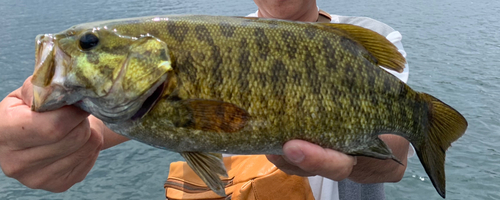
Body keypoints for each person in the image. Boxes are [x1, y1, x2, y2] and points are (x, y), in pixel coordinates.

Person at [0, 0, 410, 199]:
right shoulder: (214, 37)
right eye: (90, 44)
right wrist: (47, 140)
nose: (79, 49)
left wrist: (363, 161)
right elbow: (95, 129)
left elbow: (396, 153)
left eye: (89, 44)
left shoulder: (367, 37)